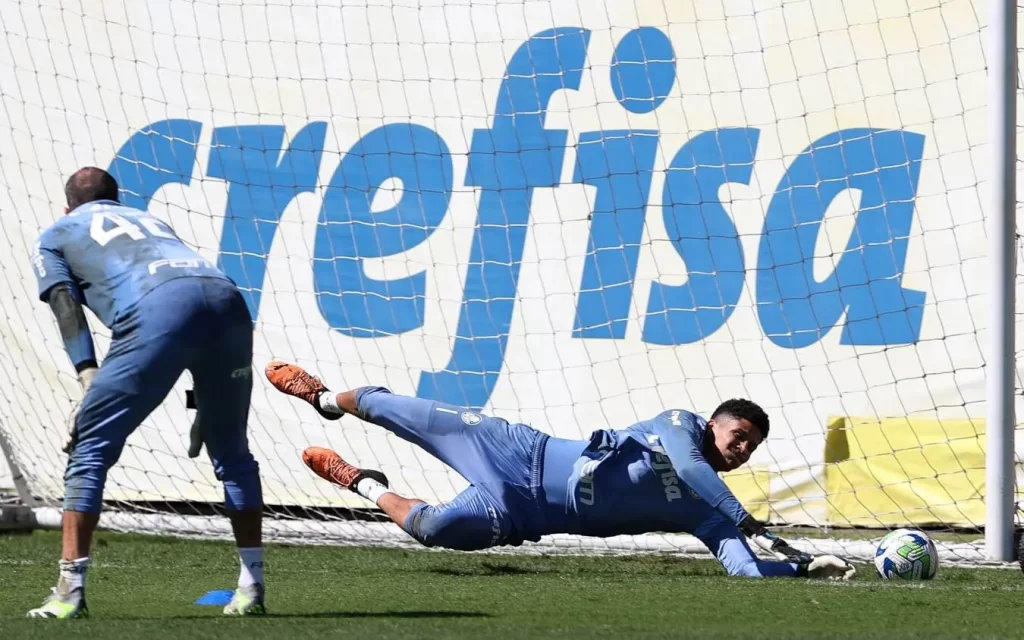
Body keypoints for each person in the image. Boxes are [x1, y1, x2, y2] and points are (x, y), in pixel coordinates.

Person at [266, 361, 857, 580]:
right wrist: (743, 516)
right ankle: (321, 400)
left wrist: (802, 572)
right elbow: (687, 464)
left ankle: (358, 480)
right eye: (740, 437)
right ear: (715, 423)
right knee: (395, 408)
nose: (743, 450)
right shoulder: (679, 425)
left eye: (752, 447)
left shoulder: (705, 506)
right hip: (517, 451)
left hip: (527, 512)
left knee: (435, 532)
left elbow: (745, 572)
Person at [26, 167, 266, 618]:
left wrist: (86, 373)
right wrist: (206, 398)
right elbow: (194, 300)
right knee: (232, 452)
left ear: (67, 207)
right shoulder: (152, 220)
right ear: (117, 199)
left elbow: (63, 301)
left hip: (158, 308)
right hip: (227, 299)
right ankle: (252, 587)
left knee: (90, 445)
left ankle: (68, 593)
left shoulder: (56, 233)